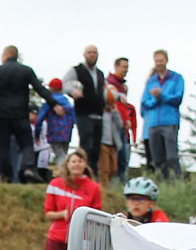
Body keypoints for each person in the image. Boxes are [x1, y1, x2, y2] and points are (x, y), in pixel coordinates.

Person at [0, 46, 61, 183]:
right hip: (20, 113)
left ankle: (4, 175)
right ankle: (29, 167)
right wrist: (54, 103)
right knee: (26, 143)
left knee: (2, 146)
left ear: (5, 55)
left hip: (0, 114)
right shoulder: (25, 71)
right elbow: (40, 88)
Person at [44, 149, 101, 250]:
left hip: (81, 239)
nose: (77, 164)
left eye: (80, 161)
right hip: (57, 237)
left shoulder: (93, 187)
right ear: (67, 164)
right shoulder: (55, 184)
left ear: (85, 164)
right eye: (73, 161)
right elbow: (48, 213)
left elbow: (97, 213)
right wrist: (62, 214)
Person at [140, 50, 184, 180]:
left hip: (169, 122)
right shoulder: (151, 81)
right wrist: (156, 99)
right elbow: (145, 102)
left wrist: (162, 95)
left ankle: (177, 183)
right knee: (157, 159)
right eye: (157, 61)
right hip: (153, 124)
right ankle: (162, 184)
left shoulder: (177, 78)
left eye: (161, 60)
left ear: (166, 61)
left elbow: (178, 98)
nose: (159, 63)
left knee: (171, 157)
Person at [61, 46, 105, 175]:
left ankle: (93, 176)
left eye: (94, 53)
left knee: (96, 149)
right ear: (84, 55)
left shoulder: (100, 73)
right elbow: (63, 84)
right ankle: (83, 173)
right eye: (89, 53)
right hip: (84, 114)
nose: (92, 55)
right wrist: (73, 91)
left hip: (99, 115)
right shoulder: (77, 70)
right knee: (86, 146)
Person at [33, 78, 75, 168]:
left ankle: (63, 176)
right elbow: (73, 120)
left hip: (54, 132)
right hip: (67, 133)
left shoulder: (49, 102)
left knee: (60, 156)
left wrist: (37, 135)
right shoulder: (68, 103)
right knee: (64, 153)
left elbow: (39, 120)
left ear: (52, 88)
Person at [108, 57, 135, 185]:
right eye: (124, 67)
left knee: (123, 159)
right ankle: (115, 186)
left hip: (123, 126)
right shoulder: (111, 83)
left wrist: (128, 120)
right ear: (116, 66)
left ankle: (122, 187)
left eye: (127, 67)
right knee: (116, 158)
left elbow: (124, 107)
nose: (126, 70)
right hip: (114, 125)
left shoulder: (123, 86)